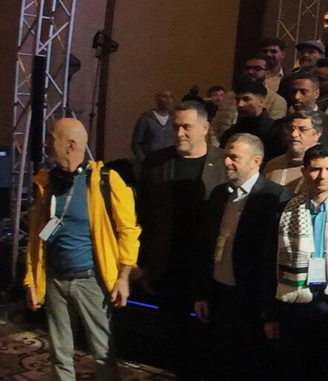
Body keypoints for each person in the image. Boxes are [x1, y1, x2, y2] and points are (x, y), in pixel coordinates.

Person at [26, 118, 140, 381]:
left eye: (51, 138)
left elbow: (129, 231)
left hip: (91, 282)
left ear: (70, 145)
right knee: (59, 353)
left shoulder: (105, 181)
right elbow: (36, 237)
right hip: (54, 280)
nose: (45, 143)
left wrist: (123, 277)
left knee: (103, 352)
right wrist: (32, 280)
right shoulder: (48, 183)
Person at [195, 133, 294, 381]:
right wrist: (203, 293)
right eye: (226, 156)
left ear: (255, 161)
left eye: (234, 157)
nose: (226, 162)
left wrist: (271, 312)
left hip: (253, 302)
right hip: (220, 295)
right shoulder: (219, 194)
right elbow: (207, 245)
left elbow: (276, 259)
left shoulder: (275, 197)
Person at [133, 104, 220, 380]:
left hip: (210, 269)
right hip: (167, 266)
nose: (179, 133)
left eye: (186, 127)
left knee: (211, 342)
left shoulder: (223, 163)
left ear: (205, 128)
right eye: (175, 127)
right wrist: (142, 263)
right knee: (174, 338)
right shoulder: (156, 162)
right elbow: (143, 215)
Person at [273, 144, 328, 381]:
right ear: (304, 171)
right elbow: (269, 260)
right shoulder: (286, 210)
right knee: (297, 367)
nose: (323, 176)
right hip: (296, 299)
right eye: (315, 169)